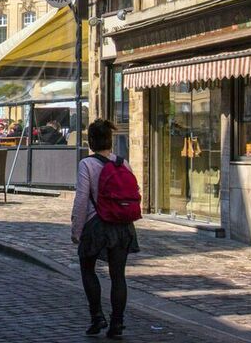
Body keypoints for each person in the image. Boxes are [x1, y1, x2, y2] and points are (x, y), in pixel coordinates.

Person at [71, 119, 139, 339]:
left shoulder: (87, 164)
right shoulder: (123, 163)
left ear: (91, 141)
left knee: (88, 268)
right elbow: (134, 192)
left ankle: (97, 316)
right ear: (110, 141)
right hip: (122, 226)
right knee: (118, 276)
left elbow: (82, 199)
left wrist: (76, 229)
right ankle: (117, 323)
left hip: (96, 224)